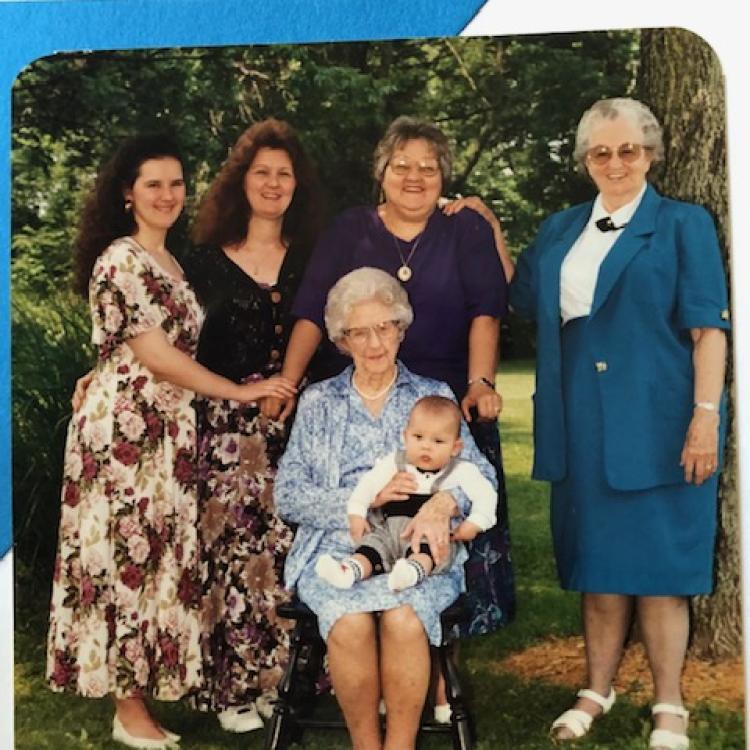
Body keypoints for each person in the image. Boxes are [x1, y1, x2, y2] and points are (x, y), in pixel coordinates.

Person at [46, 134, 296, 750]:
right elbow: (157, 356)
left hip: (169, 437)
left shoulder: (175, 262)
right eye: (152, 184)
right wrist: (241, 392)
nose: (167, 194)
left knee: (155, 560)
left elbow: (167, 346)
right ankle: (127, 711)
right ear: (127, 194)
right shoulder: (121, 259)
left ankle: (145, 696)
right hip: (126, 435)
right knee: (123, 562)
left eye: (177, 183)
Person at [509, 98, 730, 749]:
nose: (615, 162)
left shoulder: (685, 224)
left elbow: (708, 331)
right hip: (581, 424)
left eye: (628, 150)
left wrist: (704, 418)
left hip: (661, 422)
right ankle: (596, 686)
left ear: (650, 154)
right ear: (584, 161)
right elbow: (518, 295)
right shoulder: (558, 230)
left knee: (662, 572)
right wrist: (483, 230)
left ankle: (670, 703)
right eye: (600, 152)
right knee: (598, 567)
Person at [270, 115, 515, 654]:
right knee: (375, 515)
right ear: (381, 171)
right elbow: (313, 308)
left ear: (443, 177)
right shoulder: (349, 228)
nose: (414, 176)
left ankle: (429, 666)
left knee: (441, 521)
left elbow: (486, 311)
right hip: (364, 395)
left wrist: (479, 382)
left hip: (439, 405)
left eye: (428, 168)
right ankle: (360, 648)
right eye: (401, 165)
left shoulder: (464, 228)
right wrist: (288, 383)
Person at [275, 267, 497, 750]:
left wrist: (443, 503)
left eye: (384, 328)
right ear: (341, 339)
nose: (374, 343)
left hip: (419, 546)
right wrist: (362, 500)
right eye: (359, 332)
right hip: (339, 547)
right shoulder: (319, 402)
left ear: (400, 329)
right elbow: (287, 494)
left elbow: (480, 475)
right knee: (351, 623)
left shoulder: (431, 396)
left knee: (403, 618)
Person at [179, 118, 323, 732]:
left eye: (283, 174)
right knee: (235, 555)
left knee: (293, 552)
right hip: (228, 431)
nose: (272, 183)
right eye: (261, 172)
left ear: (297, 186)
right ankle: (237, 689)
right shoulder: (201, 260)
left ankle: (294, 681)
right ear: (240, 182)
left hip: (299, 419)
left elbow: (323, 320)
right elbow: (165, 336)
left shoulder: (314, 256)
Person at [315, 395, 496, 592]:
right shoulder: (394, 462)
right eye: (418, 437)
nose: (426, 446)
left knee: (427, 552)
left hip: (429, 535)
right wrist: (356, 513)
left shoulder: (462, 471)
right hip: (388, 530)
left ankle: (409, 573)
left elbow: (486, 496)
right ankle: (347, 571)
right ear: (405, 436)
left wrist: (475, 522)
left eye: (438, 441)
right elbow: (367, 485)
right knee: (369, 548)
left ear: (455, 447)